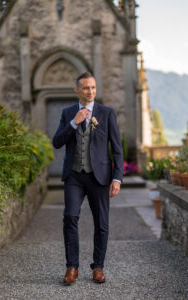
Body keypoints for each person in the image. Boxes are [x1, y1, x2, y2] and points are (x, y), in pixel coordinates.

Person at [53, 72, 123, 284]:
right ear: (77, 90)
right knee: (70, 217)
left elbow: (117, 149)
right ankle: (72, 267)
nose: (90, 91)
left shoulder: (107, 113)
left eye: (93, 87)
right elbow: (57, 142)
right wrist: (74, 123)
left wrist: (117, 178)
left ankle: (98, 267)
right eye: (85, 88)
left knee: (101, 223)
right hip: (74, 175)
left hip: (99, 176)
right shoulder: (67, 113)